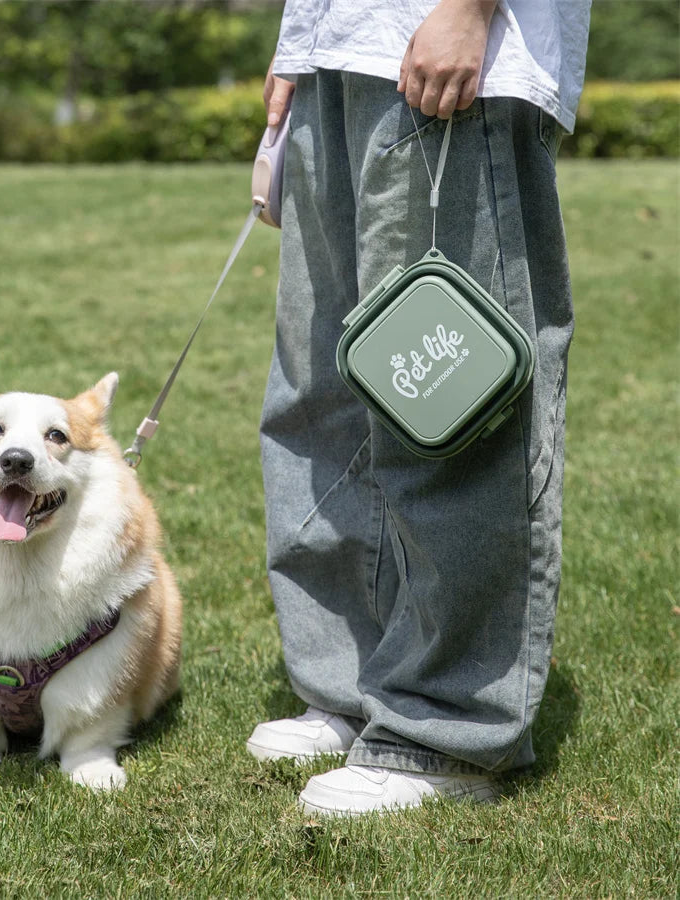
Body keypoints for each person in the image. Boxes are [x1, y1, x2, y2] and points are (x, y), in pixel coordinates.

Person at [246, 0, 591, 816]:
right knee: (320, 396)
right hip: (339, 53)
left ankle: (445, 725)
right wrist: (300, 46)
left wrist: (470, 8)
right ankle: (348, 685)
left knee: (448, 407)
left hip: (449, 52)